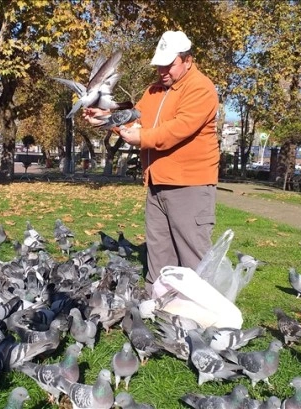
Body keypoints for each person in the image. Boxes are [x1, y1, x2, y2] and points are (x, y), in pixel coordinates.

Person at [83, 30, 220, 294]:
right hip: (157, 180)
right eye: (159, 65)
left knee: (192, 249)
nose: (162, 71)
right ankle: (158, 298)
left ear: (187, 60)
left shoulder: (201, 89)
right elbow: (135, 119)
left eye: (168, 65)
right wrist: (103, 118)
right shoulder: (155, 90)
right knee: (158, 246)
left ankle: (201, 309)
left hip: (189, 184)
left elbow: (176, 130)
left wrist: (141, 137)